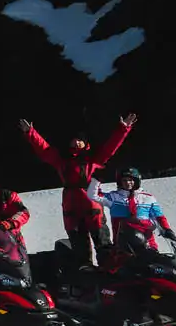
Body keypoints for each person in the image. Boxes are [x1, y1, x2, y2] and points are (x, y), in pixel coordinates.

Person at [20, 114, 137, 266]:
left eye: (80, 140)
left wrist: (123, 129)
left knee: (104, 247)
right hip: (72, 212)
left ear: (85, 143)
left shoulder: (94, 159)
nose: (76, 142)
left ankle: (109, 276)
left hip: (93, 209)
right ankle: (86, 279)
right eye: (74, 140)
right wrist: (30, 133)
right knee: (80, 253)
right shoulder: (62, 161)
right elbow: (44, 150)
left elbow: (111, 147)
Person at [92, 169, 175, 252]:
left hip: (148, 244)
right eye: (124, 180)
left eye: (131, 180)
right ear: (120, 182)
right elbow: (93, 196)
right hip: (123, 245)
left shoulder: (148, 198)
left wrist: (167, 229)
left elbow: (159, 217)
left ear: (136, 181)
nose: (128, 183)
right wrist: (96, 180)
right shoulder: (114, 197)